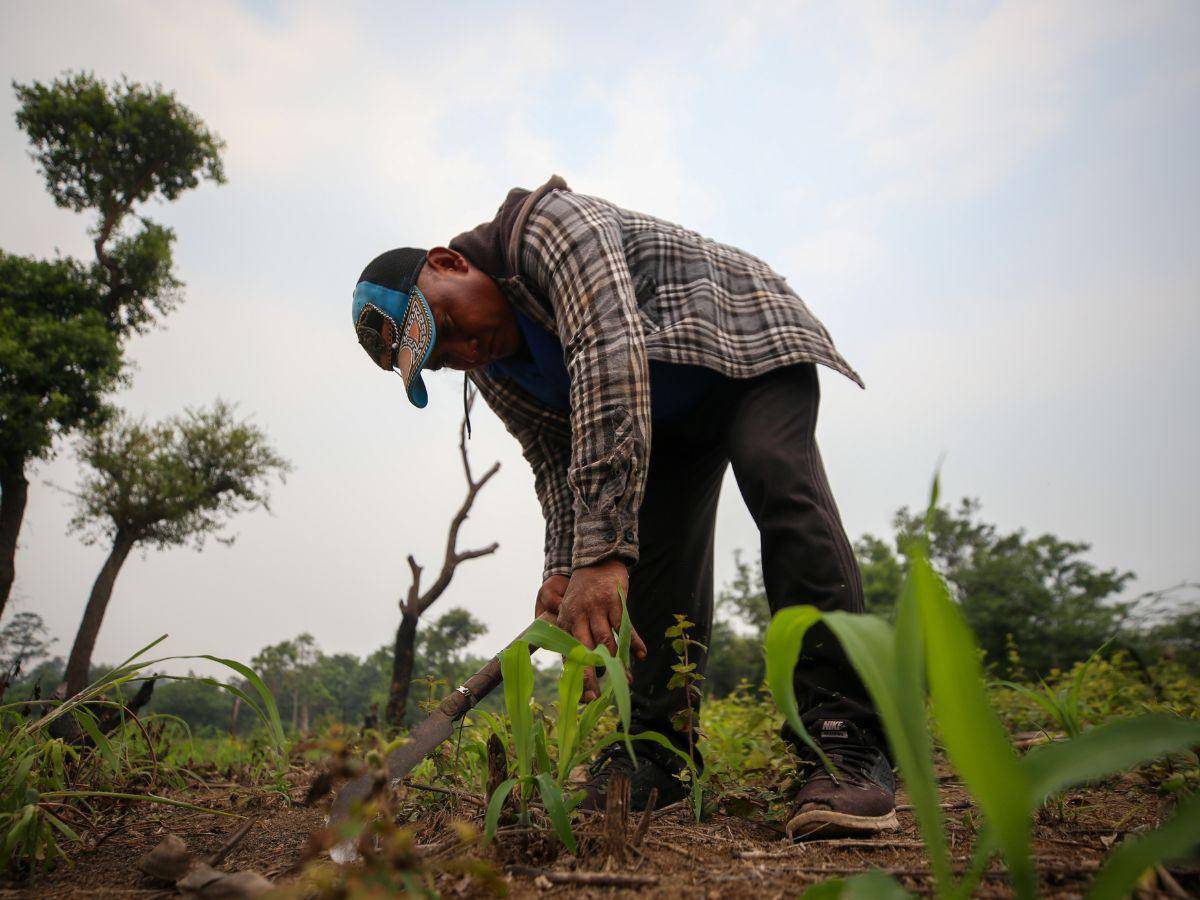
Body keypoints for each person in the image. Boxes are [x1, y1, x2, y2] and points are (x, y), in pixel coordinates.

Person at [350, 176, 896, 838]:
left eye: (452, 327)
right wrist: (564, 566)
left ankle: (845, 738)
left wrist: (601, 552)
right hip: (663, 424)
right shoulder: (495, 372)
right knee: (652, 568)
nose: (465, 352)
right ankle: (660, 752)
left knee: (776, 475)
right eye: (442, 360)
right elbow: (555, 461)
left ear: (448, 262)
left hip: (746, 347)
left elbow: (607, 352)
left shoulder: (547, 228)